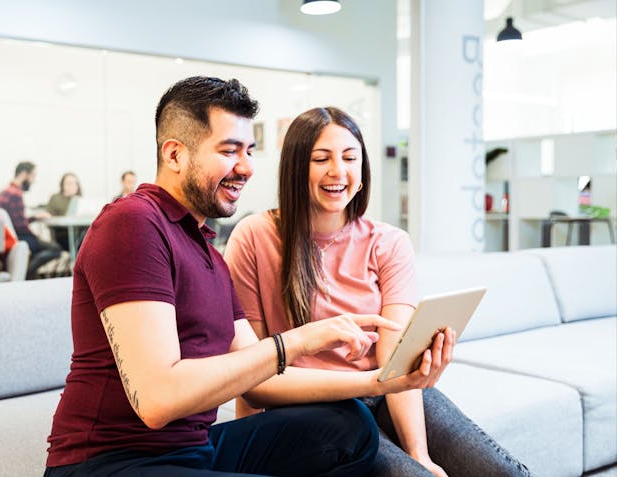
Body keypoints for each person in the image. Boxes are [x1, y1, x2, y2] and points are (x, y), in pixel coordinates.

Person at [44, 77, 454, 476]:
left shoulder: (207, 252)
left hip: (193, 449)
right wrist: (300, 339)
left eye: (249, 151)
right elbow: (156, 399)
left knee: (348, 429)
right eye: (229, 150)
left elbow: (255, 372)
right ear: (174, 155)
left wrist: (379, 382)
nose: (246, 168)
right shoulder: (134, 221)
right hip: (112, 461)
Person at [224, 107, 532, 477]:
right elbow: (250, 367)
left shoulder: (389, 242)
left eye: (350, 158)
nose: (339, 171)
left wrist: (419, 451)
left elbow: (395, 361)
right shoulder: (255, 236)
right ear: (294, 167)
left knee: (503, 472)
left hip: (385, 388)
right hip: (310, 404)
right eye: (321, 159)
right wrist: (252, 448)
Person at [0, 161, 61, 279]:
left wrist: (34, 218)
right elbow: (20, 225)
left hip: (9, 236)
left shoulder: (5, 191)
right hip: (20, 237)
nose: (33, 181)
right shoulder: (16, 194)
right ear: (24, 174)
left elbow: (14, 220)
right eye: (32, 176)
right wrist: (35, 235)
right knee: (56, 249)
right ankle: (27, 272)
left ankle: (28, 271)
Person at [47, 172, 83, 252]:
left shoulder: (80, 201)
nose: (73, 186)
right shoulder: (55, 198)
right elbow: (48, 216)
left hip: (79, 234)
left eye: (75, 184)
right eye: (69, 183)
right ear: (62, 185)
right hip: (62, 235)